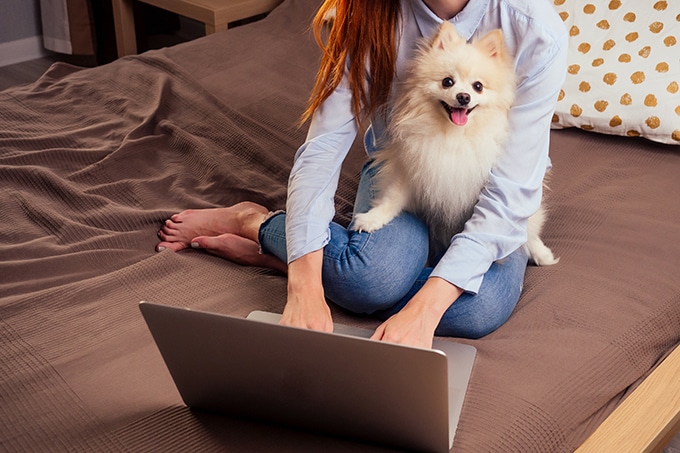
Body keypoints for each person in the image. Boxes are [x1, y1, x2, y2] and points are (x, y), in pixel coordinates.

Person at [156, 0, 568, 349]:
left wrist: (424, 311)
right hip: (404, 170)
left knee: (480, 308)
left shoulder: (535, 29)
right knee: (371, 280)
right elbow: (322, 150)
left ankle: (286, 253)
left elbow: (512, 189)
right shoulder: (367, 11)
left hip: (491, 190)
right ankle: (258, 222)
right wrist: (305, 287)